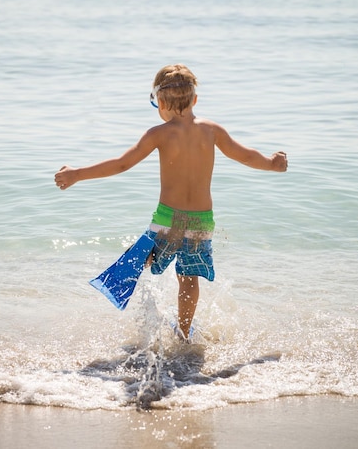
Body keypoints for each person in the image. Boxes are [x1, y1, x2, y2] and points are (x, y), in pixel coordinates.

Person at [54, 64, 288, 341]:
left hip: (167, 218)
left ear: (161, 102)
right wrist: (273, 164)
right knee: (189, 279)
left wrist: (77, 174)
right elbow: (246, 156)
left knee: (145, 253)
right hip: (201, 221)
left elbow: (121, 164)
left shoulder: (159, 133)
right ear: (195, 100)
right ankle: (184, 332)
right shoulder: (212, 130)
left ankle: (141, 269)